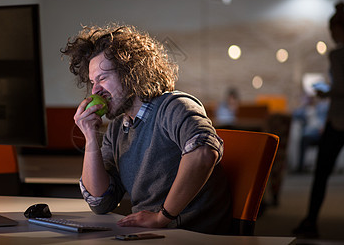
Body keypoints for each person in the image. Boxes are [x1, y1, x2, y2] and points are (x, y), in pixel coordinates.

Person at [61, 24, 232, 234]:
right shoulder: (116, 129)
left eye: (103, 79)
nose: (95, 90)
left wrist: (162, 217)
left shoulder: (175, 106)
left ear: (131, 74)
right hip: (152, 235)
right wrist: (89, 137)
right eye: (92, 82)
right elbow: (100, 201)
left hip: (193, 235)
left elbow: (204, 153)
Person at [293, 1, 344, 238]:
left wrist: (324, 92)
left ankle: (310, 222)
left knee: (321, 174)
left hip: (339, 120)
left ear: (338, 30)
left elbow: (342, 87)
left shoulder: (338, 54)